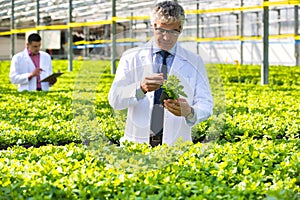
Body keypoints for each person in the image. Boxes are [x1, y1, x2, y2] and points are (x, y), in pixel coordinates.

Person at [108, 1, 213, 147]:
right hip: (136, 146)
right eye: (161, 30)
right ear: (153, 26)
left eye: (173, 31)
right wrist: (140, 88)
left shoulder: (194, 61)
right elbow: (115, 99)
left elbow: (206, 103)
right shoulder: (130, 57)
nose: (166, 37)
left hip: (178, 146)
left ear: (181, 29)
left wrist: (190, 112)